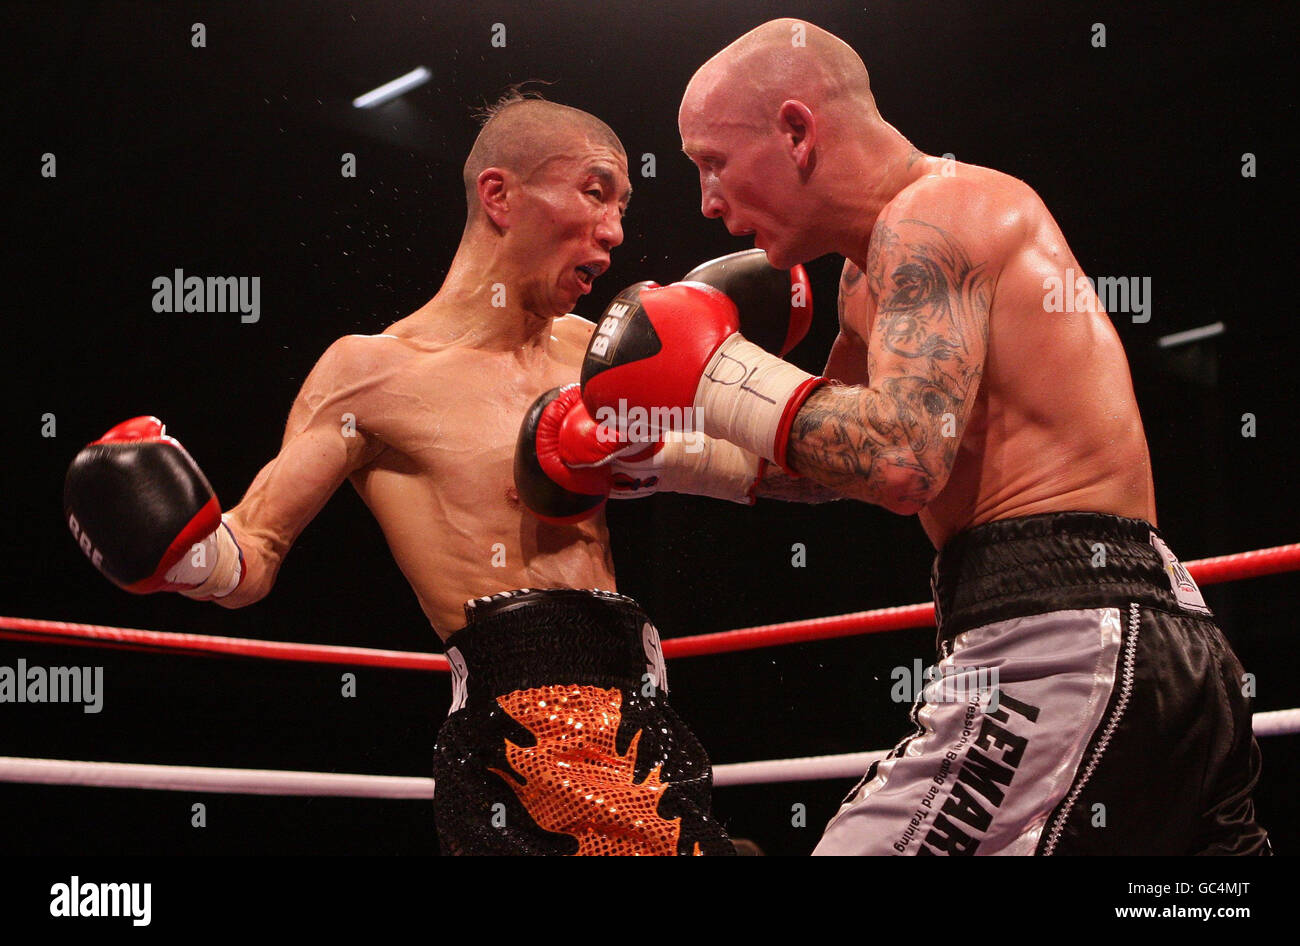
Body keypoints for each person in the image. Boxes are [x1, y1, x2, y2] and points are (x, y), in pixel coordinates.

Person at [576, 20, 1269, 854]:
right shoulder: (868, 275)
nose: (707, 201)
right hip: (1126, 631)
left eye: (712, 163)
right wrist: (662, 453)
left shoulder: (937, 214)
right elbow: (838, 460)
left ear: (797, 131)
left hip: (1070, 635)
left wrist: (713, 373)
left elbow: (903, 460)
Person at [62, 93, 774, 856]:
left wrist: (663, 453)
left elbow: (761, 468)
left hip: (649, 715)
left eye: (624, 206)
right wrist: (187, 554)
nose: (615, 232)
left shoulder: (597, 353)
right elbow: (255, 550)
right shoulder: (372, 374)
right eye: (596, 192)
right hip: (527, 738)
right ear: (498, 196)